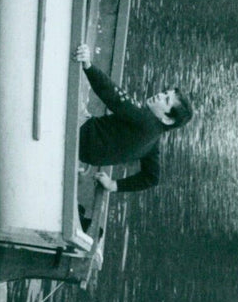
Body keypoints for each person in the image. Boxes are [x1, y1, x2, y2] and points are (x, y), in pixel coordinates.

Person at [73, 43, 193, 196]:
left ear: (168, 120)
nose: (159, 96)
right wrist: (113, 185)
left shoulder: (145, 119)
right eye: (164, 93)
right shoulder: (153, 143)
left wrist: (88, 65)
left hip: (80, 129)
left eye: (166, 100)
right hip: (83, 153)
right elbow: (151, 178)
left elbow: (114, 96)